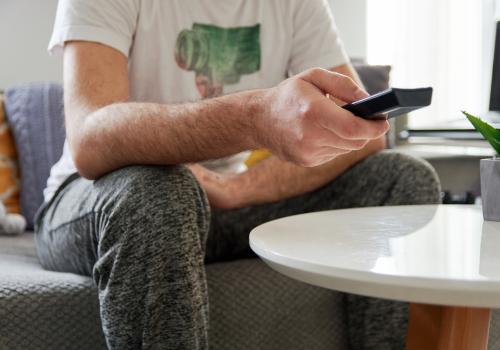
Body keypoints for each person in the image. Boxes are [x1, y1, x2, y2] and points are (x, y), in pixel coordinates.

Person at [35, 0, 441, 349]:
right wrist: (253, 117)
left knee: (403, 177)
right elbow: (90, 139)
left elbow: (363, 138)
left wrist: (237, 189)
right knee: (160, 193)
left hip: (221, 202)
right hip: (98, 197)